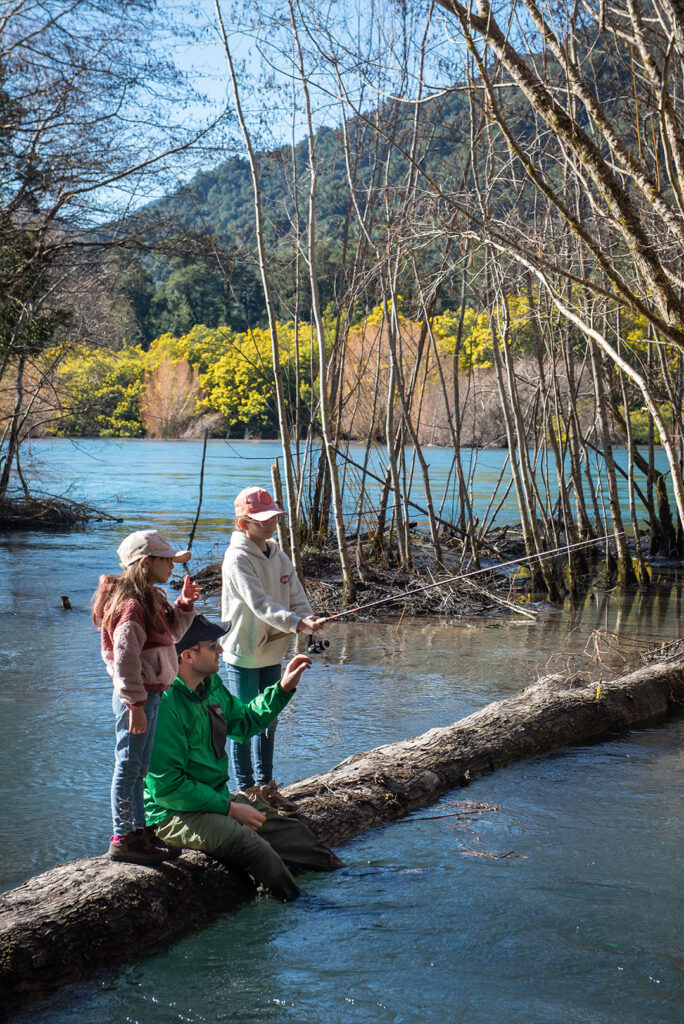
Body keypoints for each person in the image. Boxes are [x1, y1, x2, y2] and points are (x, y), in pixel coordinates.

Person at [144, 614, 342, 900]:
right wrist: (229, 808)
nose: (221, 651)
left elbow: (244, 723)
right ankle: (307, 908)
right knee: (256, 849)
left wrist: (282, 689)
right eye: (213, 645)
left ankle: (348, 875)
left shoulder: (209, 685)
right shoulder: (163, 706)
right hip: (172, 814)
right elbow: (168, 789)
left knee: (295, 835)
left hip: (212, 800)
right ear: (187, 655)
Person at [92, 529, 200, 865]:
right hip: (135, 700)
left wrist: (185, 604)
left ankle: (140, 831)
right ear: (145, 563)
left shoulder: (152, 597)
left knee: (140, 768)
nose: (172, 566)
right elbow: (125, 660)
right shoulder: (132, 606)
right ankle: (123, 837)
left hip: (149, 697)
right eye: (166, 560)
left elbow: (173, 636)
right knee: (128, 766)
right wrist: (134, 704)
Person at [220, 486, 327, 793]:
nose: (270, 523)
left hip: (274, 650)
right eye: (262, 519)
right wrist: (296, 622)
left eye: (274, 517)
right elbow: (260, 604)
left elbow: (295, 594)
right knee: (242, 723)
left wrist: (310, 624)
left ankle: (267, 785)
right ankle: (245, 788)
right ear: (244, 524)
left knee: (270, 718)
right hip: (243, 651)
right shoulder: (236, 558)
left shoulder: (278, 553)